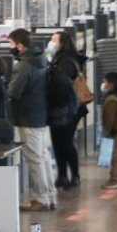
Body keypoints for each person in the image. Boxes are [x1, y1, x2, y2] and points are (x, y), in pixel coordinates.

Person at [7, 28, 58, 211]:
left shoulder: (24, 65)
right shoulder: (41, 59)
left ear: (20, 45)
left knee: (35, 159)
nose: (10, 47)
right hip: (40, 115)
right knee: (43, 156)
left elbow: (14, 92)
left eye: (11, 44)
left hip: (27, 116)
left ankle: (40, 198)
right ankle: (50, 195)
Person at [46, 31, 83, 189]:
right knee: (58, 142)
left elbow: (61, 86)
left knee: (66, 142)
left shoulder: (66, 61)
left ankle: (74, 175)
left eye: (54, 40)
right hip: (61, 108)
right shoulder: (58, 58)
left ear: (62, 43)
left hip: (67, 109)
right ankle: (62, 175)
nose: (51, 43)